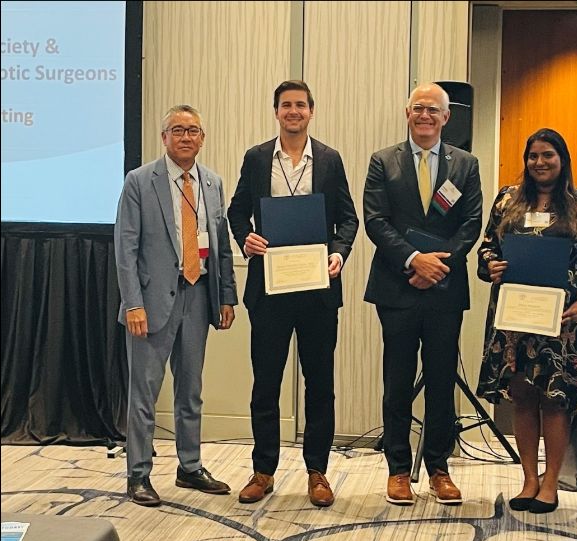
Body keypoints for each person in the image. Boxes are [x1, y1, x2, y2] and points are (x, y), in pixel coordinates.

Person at [227, 80, 358, 508]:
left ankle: (317, 472)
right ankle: (263, 470)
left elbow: (347, 219)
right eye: (286, 105)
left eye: (300, 105)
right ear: (276, 111)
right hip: (269, 288)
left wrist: (338, 255)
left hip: (318, 288)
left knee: (319, 383)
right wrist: (246, 237)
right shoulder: (257, 157)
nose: (294, 112)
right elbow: (236, 210)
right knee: (265, 383)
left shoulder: (330, 159)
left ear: (311, 111)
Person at [363, 82, 483, 506]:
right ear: (407, 113)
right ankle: (398, 469)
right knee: (396, 382)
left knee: (440, 381)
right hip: (397, 287)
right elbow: (375, 221)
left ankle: (439, 467)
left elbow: (471, 223)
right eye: (418, 109)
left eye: (434, 110)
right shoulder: (383, 161)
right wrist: (415, 260)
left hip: (444, 290)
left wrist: (436, 266)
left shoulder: (466, 164)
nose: (426, 116)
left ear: (447, 117)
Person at [477, 128, 577, 514]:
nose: (539, 162)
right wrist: (491, 265)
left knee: (554, 400)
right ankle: (528, 480)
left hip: (562, 321)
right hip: (514, 319)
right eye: (532, 156)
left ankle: (551, 483)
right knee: (522, 395)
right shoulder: (506, 200)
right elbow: (487, 248)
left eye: (547, 155)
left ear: (562, 159)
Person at [115, 104, 237, 507]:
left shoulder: (213, 182)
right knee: (144, 393)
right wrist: (132, 303)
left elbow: (220, 245)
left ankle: (190, 466)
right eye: (178, 130)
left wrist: (226, 296)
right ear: (164, 137)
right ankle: (138, 475)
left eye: (194, 130)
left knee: (191, 389)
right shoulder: (139, 181)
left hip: (199, 296)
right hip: (150, 304)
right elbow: (125, 247)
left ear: (203, 138)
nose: (186, 137)